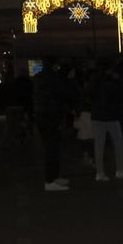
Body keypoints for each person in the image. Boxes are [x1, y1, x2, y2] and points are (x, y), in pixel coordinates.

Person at [33, 59, 75, 192]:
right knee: (52, 149)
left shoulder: (39, 77)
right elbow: (63, 95)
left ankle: (54, 177)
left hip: (42, 115)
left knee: (51, 148)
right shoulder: (54, 79)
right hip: (51, 115)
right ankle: (50, 180)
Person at [87, 62, 123, 182]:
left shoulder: (94, 81)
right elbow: (120, 96)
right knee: (118, 142)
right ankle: (120, 169)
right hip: (111, 115)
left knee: (99, 144)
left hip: (97, 115)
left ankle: (100, 172)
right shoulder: (112, 82)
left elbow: (89, 97)